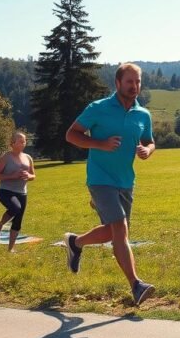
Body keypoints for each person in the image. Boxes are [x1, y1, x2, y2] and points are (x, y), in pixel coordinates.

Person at [62, 62, 157, 307]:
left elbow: (150, 141)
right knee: (120, 229)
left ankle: (75, 242)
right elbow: (71, 135)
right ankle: (136, 285)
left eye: (138, 82)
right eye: (129, 82)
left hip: (126, 180)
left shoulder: (142, 114)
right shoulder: (98, 108)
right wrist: (100, 143)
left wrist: (147, 150)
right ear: (117, 83)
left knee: (115, 233)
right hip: (100, 177)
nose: (134, 86)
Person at [0, 131, 35, 252]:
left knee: (18, 220)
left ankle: (10, 249)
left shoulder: (28, 158)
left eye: (24, 141)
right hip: (6, 191)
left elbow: (33, 175)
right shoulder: (6, 157)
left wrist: (28, 176)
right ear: (12, 143)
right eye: (20, 141)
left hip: (22, 192)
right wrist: (12, 175)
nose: (23, 143)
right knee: (16, 208)